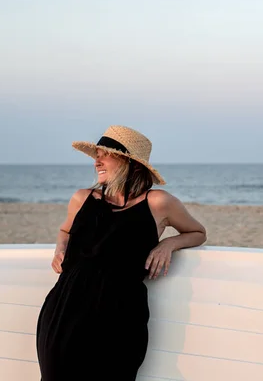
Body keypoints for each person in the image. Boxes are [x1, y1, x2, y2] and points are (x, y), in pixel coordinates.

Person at [36, 125, 207, 380]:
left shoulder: (158, 202)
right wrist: (60, 250)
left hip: (121, 312)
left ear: (130, 162)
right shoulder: (82, 198)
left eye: (105, 154)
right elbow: (65, 231)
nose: (97, 161)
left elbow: (198, 232)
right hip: (66, 306)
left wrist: (168, 244)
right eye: (96, 155)